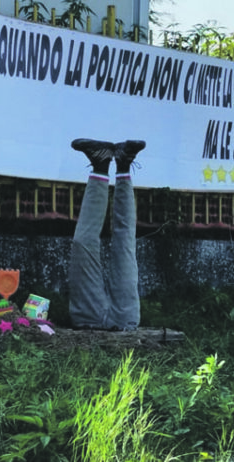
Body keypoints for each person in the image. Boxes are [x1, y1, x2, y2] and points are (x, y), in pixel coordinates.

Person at [68, 138, 146, 331]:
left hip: (89, 317)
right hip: (121, 318)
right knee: (125, 241)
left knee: (83, 243)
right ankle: (122, 164)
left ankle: (101, 164)